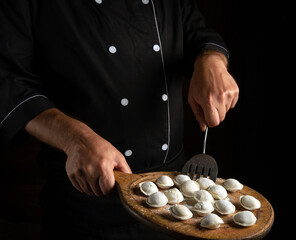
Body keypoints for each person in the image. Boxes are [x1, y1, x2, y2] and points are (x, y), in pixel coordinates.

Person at [0, 0, 239, 239]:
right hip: (89, 201)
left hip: (179, 199)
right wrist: (75, 138)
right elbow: (8, 82)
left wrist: (212, 60)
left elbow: (194, 30)